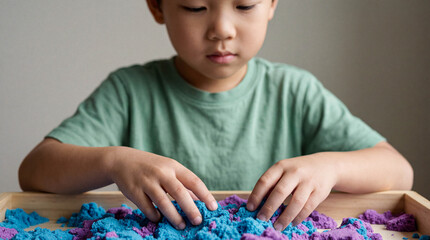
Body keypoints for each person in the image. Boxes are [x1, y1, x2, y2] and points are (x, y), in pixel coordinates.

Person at [18, 0, 413, 232]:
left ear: (273, 3)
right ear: (157, 6)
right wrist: (114, 161)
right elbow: (35, 170)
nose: (221, 29)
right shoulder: (129, 90)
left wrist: (331, 167)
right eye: (195, 6)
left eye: (243, 5)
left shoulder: (295, 91)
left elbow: (398, 172)